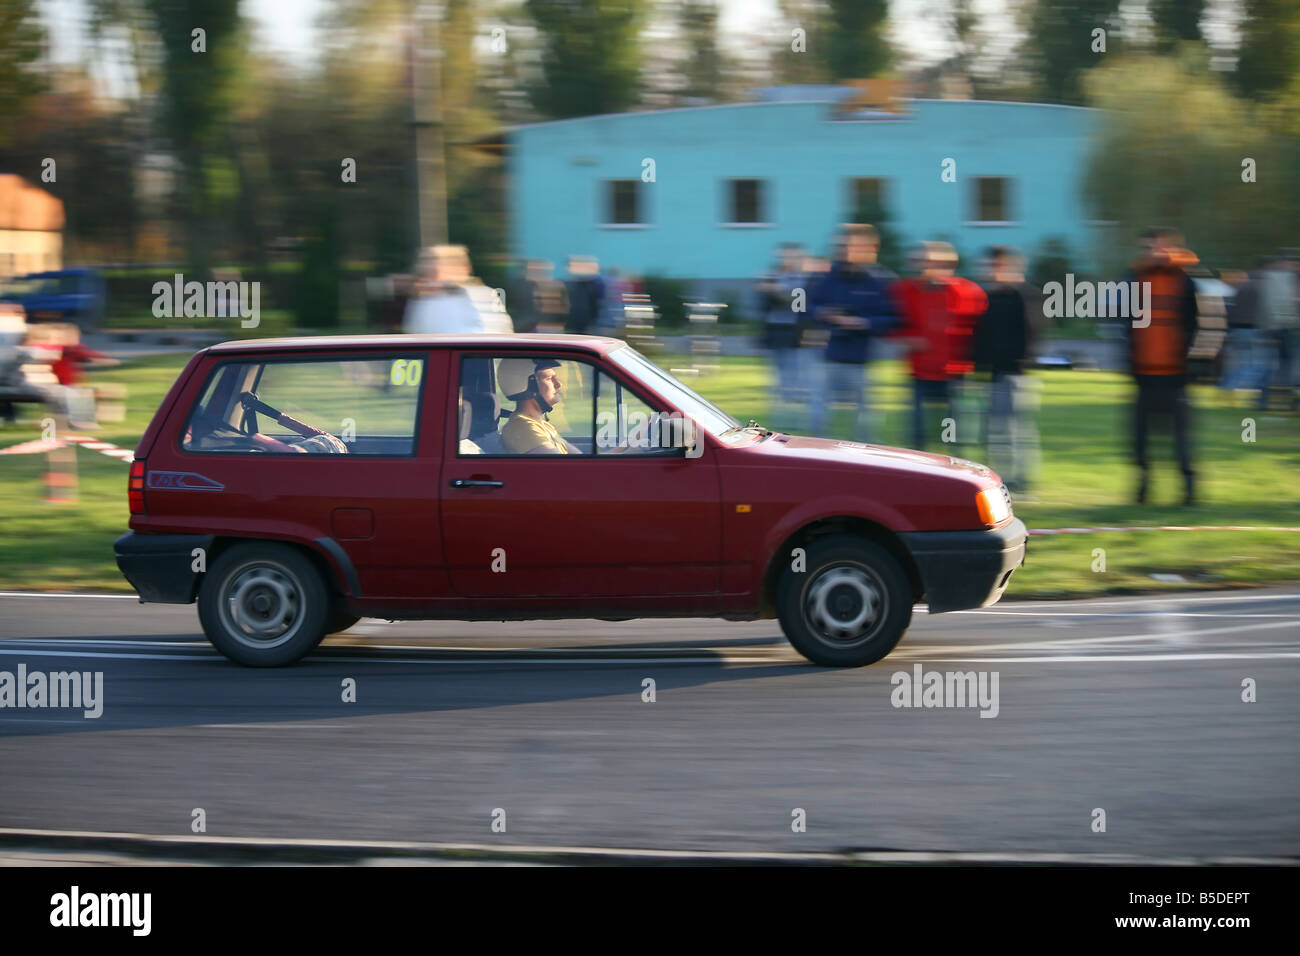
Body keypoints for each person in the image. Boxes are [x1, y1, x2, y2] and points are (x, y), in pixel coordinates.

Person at [1125, 227, 1200, 505]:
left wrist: (1191, 364)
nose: (1154, 252)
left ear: (1172, 248)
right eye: (1148, 248)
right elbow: (1128, 326)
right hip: (1143, 376)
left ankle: (1189, 492)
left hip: (1176, 376)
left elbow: (1197, 326)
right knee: (1140, 440)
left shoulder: (1186, 282)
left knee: (1181, 440)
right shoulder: (1135, 280)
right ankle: (1143, 490)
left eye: (1160, 247)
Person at [806, 224, 900, 441]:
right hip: (826, 356)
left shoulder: (880, 280)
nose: (847, 251)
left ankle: (865, 465)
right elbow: (804, 307)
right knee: (818, 417)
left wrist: (863, 322)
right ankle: (818, 459)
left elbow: (893, 318)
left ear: (869, 248)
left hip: (862, 360)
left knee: (865, 419)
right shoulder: (826, 277)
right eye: (842, 246)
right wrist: (825, 313)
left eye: (853, 246)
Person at [891, 242, 988, 451]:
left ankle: (956, 472)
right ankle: (919, 474)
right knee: (917, 431)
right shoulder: (904, 291)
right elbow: (889, 321)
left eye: (925, 260)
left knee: (953, 432)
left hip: (955, 373)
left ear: (945, 262)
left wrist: (977, 361)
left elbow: (982, 328)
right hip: (919, 372)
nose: (918, 265)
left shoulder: (967, 292)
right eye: (916, 261)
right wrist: (907, 338)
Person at [972, 246, 1039, 493]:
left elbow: (1032, 334)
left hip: (1015, 375)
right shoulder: (988, 298)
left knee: (1016, 431)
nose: (990, 271)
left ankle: (1021, 481)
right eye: (989, 265)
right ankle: (1001, 479)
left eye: (996, 265)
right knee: (995, 431)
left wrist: (1016, 364)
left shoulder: (1024, 296)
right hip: (992, 375)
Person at [757, 242, 810, 431]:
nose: (787, 260)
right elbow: (762, 306)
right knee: (778, 380)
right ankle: (779, 420)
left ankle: (798, 420)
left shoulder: (804, 279)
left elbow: (798, 305)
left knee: (796, 380)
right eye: (784, 256)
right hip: (775, 333)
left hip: (795, 335)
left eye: (792, 256)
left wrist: (776, 291)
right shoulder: (774, 277)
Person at [403, 245, 513, 334]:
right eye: (425, 273)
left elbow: (494, 335)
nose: (427, 281)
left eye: (435, 272)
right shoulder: (422, 300)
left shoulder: (482, 295)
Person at [497, 358, 581, 454]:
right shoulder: (522, 427)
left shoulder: (543, 425)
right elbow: (559, 466)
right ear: (531, 386)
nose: (558, 384)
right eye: (549, 378)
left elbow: (578, 458)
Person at [1257, 250, 1298, 410]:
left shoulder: (1275, 278)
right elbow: (1272, 306)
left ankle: (1273, 400)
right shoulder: (1279, 279)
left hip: (1281, 328)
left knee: (1280, 365)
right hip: (1280, 328)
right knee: (1277, 365)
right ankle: (1267, 400)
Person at [564, 256, 604, 335]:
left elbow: (596, 307)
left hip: (586, 328)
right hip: (573, 327)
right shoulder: (569, 285)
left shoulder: (594, 285)